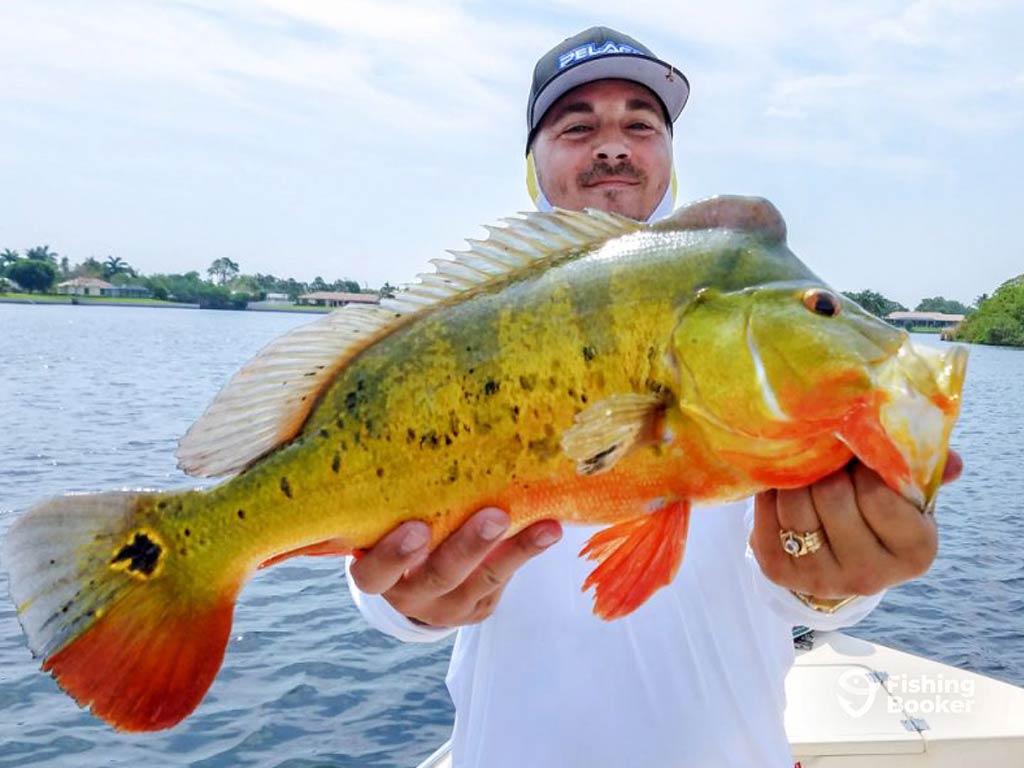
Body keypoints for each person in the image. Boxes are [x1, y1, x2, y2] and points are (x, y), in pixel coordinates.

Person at [346, 27, 960, 767]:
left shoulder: (748, 318)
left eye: (641, 123)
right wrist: (401, 601)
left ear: (668, 158)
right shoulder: (461, 327)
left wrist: (837, 586)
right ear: (532, 165)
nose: (613, 145)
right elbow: (379, 584)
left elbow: (802, 592)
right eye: (577, 126)